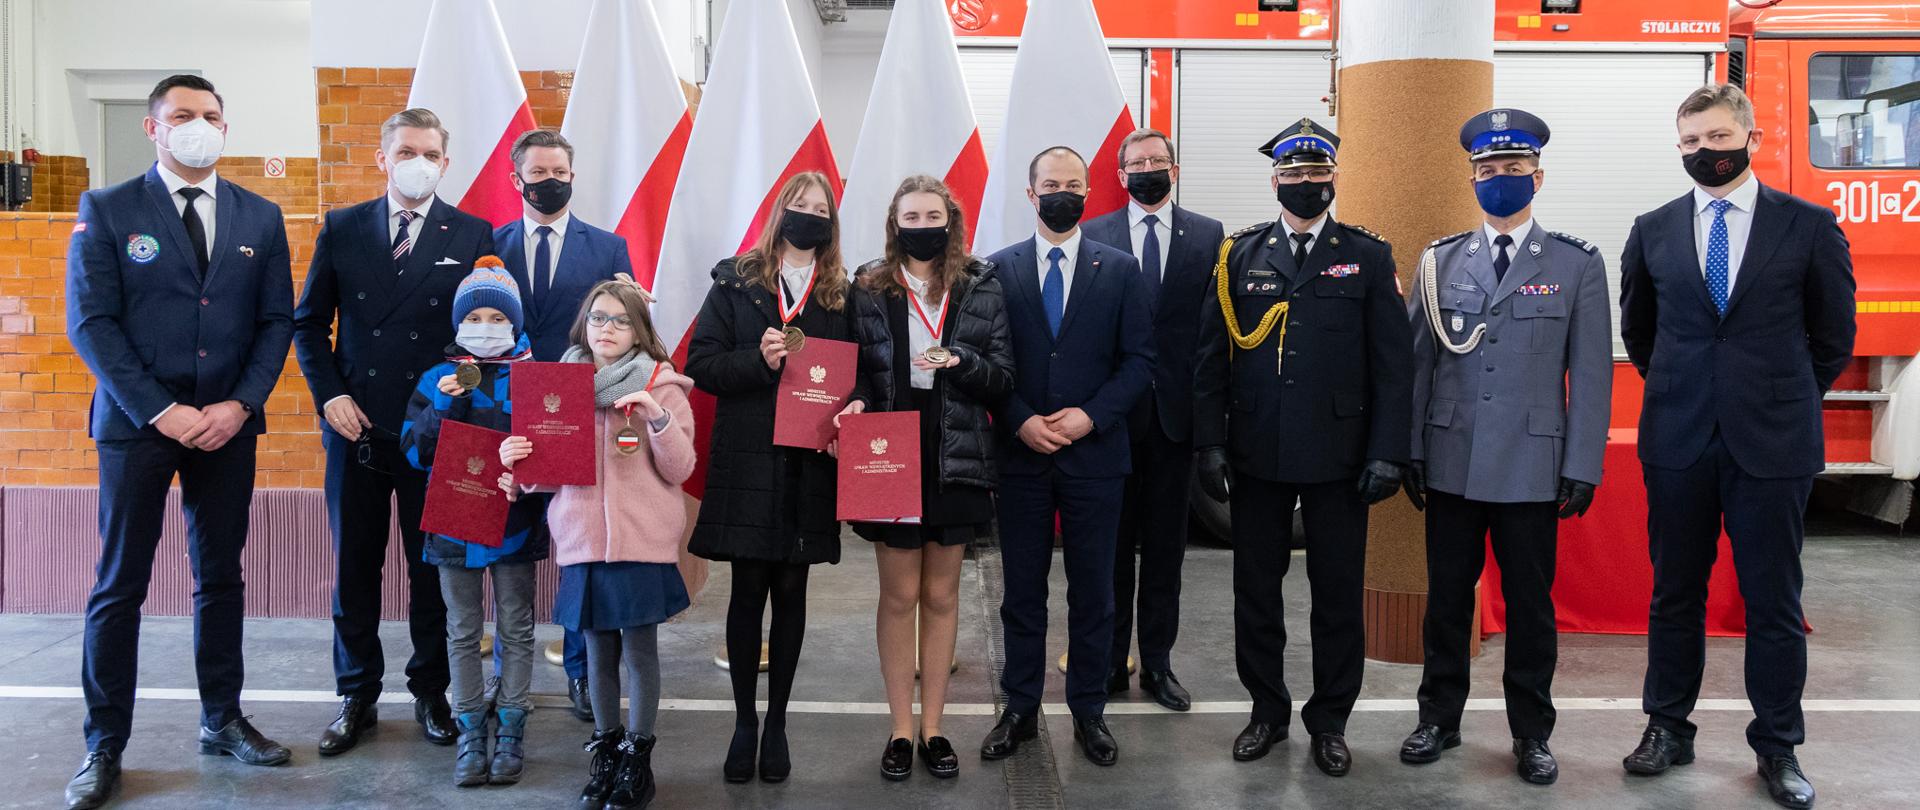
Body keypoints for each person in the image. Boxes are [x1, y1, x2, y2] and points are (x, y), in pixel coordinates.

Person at [62, 73, 295, 810]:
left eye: (213, 116)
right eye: (185, 115)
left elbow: (275, 323)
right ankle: (104, 744)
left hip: (228, 424)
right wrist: (160, 410)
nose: (201, 126)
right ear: (153, 127)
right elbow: (91, 323)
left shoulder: (259, 215)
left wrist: (241, 403)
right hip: (138, 425)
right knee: (119, 585)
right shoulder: (107, 208)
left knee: (220, 576)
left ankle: (221, 718)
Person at [1618, 84, 1854, 810]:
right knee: (1673, 593)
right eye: (1690, 143)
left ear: (1751, 139)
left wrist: (1775, 394)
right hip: (1679, 438)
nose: (1704, 154)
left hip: (1774, 442)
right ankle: (1667, 727)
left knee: (1773, 601)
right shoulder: (1653, 228)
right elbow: (1641, 333)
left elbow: (1833, 338)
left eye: (1717, 139)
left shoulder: (1808, 226)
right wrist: (1694, 390)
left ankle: (1778, 746)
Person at [1398, 108, 1612, 786]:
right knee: (1447, 603)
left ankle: (1531, 734)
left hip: (1531, 466)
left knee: (1530, 607)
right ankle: (1439, 717)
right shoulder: (1439, 261)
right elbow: (1418, 366)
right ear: (1473, 179)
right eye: (1487, 170)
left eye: (1512, 169)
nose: (1499, 180)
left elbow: (1593, 373)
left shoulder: (1576, 264)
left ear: (1537, 177)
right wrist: (1411, 448)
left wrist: (1581, 464)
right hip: (1453, 461)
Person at [1192, 119, 1412, 777]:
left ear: (1334, 179)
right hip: (1257, 452)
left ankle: (1330, 722)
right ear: (1275, 181)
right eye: (1294, 175)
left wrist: (1387, 452)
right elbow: (1211, 358)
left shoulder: (1367, 256)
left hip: (1342, 458)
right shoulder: (1241, 254)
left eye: (1318, 175)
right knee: (1256, 591)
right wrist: (1210, 442)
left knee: (1337, 595)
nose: (1306, 185)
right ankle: (1266, 711)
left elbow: (1393, 365)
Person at [292, 107, 495, 756]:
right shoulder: (343, 228)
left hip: (435, 432)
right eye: (407, 150)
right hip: (356, 426)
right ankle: (356, 695)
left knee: (430, 569)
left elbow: (482, 334)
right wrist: (330, 397)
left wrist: (464, 392)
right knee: (355, 565)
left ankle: (431, 692)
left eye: (431, 153)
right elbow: (307, 324)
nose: (419, 162)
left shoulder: (472, 232)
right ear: (382, 158)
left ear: (445, 162)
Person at [686, 171, 883, 784]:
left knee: (792, 594)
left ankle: (778, 723)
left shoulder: (844, 295)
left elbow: (870, 376)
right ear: (779, 213)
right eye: (799, 206)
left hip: (809, 466)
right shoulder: (736, 281)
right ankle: (745, 722)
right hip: (748, 462)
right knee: (747, 592)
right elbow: (702, 364)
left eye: (819, 209)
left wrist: (858, 406)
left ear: (832, 222)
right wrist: (759, 360)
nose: (808, 216)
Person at [978, 146, 1154, 768]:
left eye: (1073, 185)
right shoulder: (995, 271)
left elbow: (1140, 362)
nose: (1062, 194)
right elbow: (987, 361)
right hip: (1022, 457)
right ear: (1030, 194)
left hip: (1096, 457)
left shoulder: (1121, 269)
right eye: (1050, 184)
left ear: (1089, 193)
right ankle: (1020, 708)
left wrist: (1091, 416)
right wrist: (1019, 418)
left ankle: (1089, 710)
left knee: (1095, 594)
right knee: (1021, 593)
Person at [502, 277, 696, 810]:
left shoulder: (664, 387)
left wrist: (656, 419)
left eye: (619, 319)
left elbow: (681, 468)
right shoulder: (558, 387)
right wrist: (516, 467)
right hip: (583, 542)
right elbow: (545, 473)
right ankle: (607, 750)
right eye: (597, 318)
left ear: (638, 329)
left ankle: (639, 756)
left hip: (642, 545)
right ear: (583, 325)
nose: (606, 328)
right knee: (595, 652)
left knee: (638, 652)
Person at [849, 176, 1014, 781]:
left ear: (951, 219)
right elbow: (860, 370)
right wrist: (856, 404)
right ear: (895, 224)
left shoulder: (980, 283)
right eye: (910, 215)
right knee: (898, 596)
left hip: (958, 447)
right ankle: (898, 728)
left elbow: (1002, 376)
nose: (923, 224)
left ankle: (934, 728)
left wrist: (961, 361)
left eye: (932, 214)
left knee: (942, 595)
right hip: (890, 447)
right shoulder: (868, 285)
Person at [1081, 128, 1224, 712]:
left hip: (1173, 423)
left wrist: (1213, 428)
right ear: (1120, 176)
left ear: (1175, 167)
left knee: (1166, 553)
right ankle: (1113, 663)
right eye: (1136, 163)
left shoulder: (1210, 235)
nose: (1147, 169)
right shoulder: (1093, 233)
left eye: (1156, 161)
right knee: (1110, 552)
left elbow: (1215, 337)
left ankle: (1158, 665)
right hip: (1112, 420)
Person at [492, 127, 633, 721]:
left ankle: (581, 672)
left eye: (560, 173)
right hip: (511, 419)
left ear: (573, 177)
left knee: (581, 558)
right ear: (515, 177)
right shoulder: (490, 246)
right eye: (539, 173)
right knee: (511, 557)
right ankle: (509, 679)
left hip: (583, 421)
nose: (550, 182)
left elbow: (627, 338)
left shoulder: (608, 248)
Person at [398, 259, 549, 787]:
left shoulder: (535, 377)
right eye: (475, 316)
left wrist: (526, 468)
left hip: (514, 523)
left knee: (516, 626)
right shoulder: (436, 378)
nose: (486, 326)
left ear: (514, 323)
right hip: (454, 526)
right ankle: (469, 730)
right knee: (462, 631)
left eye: (496, 317)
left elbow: (555, 455)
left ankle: (510, 726)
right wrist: (441, 405)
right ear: (459, 322)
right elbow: (414, 454)